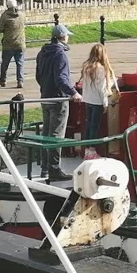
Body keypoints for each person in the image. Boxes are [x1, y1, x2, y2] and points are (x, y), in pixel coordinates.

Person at [36, 24, 82, 181]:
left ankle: (44, 168)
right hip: (58, 98)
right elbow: (61, 78)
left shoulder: (42, 52)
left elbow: (38, 76)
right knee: (56, 134)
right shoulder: (60, 55)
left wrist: (45, 89)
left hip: (45, 96)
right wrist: (73, 92)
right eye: (67, 35)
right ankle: (54, 169)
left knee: (46, 133)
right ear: (63, 37)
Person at [80, 43, 118, 159]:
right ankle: (92, 150)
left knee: (89, 125)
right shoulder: (100, 69)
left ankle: (86, 149)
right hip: (97, 101)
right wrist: (105, 103)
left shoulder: (87, 66)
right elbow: (101, 88)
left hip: (88, 100)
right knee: (95, 126)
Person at [0, 0, 26, 88]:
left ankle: (3, 80)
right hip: (20, 43)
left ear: (7, 6)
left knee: (5, 63)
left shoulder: (5, 16)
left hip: (8, 44)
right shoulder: (22, 15)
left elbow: (0, 29)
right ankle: (20, 81)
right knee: (20, 63)